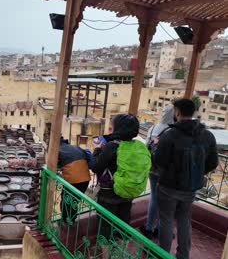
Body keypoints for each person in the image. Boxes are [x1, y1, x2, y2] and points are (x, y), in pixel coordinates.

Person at [154, 99, 218, 259]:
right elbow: (213, 162)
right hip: (191, 187)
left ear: (177, 112)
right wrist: (196, 173)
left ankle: (163, 254)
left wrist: (156, 148)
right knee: (184, 220)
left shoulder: (170, 135)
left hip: (168, 187)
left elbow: (159, 161)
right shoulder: (207, 135)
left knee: (166, 220)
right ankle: (183, 255)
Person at [91, 114, 151, 240]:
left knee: (106, 228)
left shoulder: (112, 146)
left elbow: (95, 166)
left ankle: (107, 251)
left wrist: (96, 150)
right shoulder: (137, 146)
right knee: (123, 225)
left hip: (108, 195)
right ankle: (122, 248)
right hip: (127, 194)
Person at [139, 104, 174, 239]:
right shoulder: (173, 131)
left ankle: (148, 227)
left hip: (152, 168)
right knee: (166, 201)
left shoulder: (153, 128)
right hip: (166, 171)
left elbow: (147, 146)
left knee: (154, 197)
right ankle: (160, 229)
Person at [58, 139, 91, 224]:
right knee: (75, 200)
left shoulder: (58, 150)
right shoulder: (76, 147)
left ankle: (64, 220)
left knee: (66, 199)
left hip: (73, 179)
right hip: (85, 178)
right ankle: (72, 219)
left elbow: (55, 165)